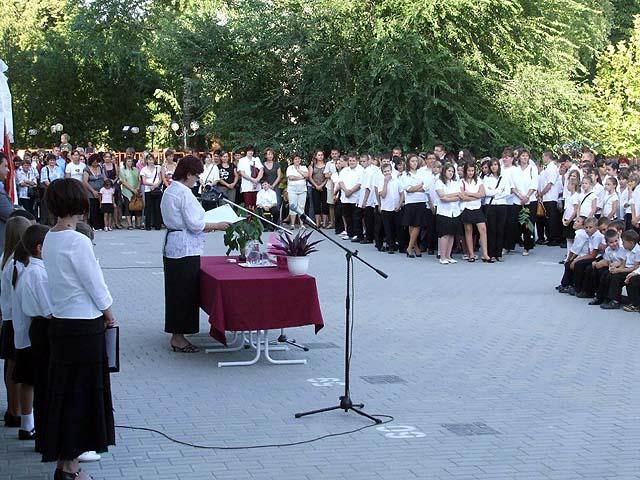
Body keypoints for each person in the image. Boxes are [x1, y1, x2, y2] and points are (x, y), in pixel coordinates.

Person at [40, 178, 116, 478]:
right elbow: (95, 284)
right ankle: (71, 466)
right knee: (82, 396)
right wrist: (110, 314)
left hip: (61, 322)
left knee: (65, 393)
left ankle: (64, 461)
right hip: (84, 324)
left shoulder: (49, 237)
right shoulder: (78, 241)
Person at [160, 156, 230, 353]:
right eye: (196, 175)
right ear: (188, 174)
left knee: (175, 292)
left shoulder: (170, 190)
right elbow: (194, 224)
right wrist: (218, 225)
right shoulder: (184, 193)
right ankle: (178, 337)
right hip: (185, 247)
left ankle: (177, 333)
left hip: (174, 244)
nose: (197, 179)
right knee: (185, 293)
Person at [19, 224, 51, 454]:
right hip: (42, 327)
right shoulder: (38, 274)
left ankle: (44, 432)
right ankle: (46, 434)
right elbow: (48, 309)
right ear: (40, 248)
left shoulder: (33, 270)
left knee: (42, 383)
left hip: (38, 327)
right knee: (45, 384)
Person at [0, 217, 31, 433]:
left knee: (11, 366)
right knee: (18, 368)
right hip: (16, 320)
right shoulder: (17, 263)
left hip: (8, 319)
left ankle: (14, 409)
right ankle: (17, 409)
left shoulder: (5, 258)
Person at [595, 230, 640, 309]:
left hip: (632, 271)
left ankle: (615, 301)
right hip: (626, 269)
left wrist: (619, 270)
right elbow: (624, 262)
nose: (622, 244)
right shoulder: (627, 249)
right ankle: (604, 297)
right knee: (608, 274)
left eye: (624, 242)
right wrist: (616, 269)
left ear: (631, 243)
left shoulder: (637, 251)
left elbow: (635, 268)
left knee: (616, 277)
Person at [558, 217, 599, 294]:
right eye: (587, 227)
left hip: (593, 257)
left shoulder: (582, 234)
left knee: (576, 264)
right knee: (570, 263)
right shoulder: (588, 234)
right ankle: (567, 284)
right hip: (586, 255)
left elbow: (577, 250)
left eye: (578, 221)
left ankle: (576, 287)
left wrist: (573, 259)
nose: (575, 222)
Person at [510, 149, 538, 256]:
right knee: (515, 223)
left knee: (528, 224)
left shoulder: (532, 168)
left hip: (530, 200)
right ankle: (512, 244)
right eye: (523, 156)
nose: (525, 158)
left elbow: (534, 184)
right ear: (519, 157)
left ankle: (528, 246)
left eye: (526, 156)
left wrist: (527, 196)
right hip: (517, 200)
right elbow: (512, 185)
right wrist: (520, 196)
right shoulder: (515, 169)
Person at [460, 162, 490, 262]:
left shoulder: (478, 181)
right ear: (465, 171)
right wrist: (476, 196)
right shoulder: (461, 182)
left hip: (477, 208)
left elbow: (482, 194)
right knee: (468, 230)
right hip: (466, 208)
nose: (471, 172)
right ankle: (471, 254)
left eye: (472, 170)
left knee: (483, 229)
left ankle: (485, 254)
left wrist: (470, 194)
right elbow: (463, 197)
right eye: (469, 170)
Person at [401, 154, 428, 257]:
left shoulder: (422, 173)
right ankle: (415, 247)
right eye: (412, 161)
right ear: (408, 162)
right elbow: (408, 189)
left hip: (421, 201)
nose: (414, 163)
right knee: (412, 225)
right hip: (410, 202)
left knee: (417, 225)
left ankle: (409, 247)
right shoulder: (405, 174)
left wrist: (416, 188)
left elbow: (426, 187)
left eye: (416, 161)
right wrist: (419, 186)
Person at [483, 158, 509, 262]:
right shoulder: (486, 178)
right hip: (491, 205)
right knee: (491, 229)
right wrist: (498, 191)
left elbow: (507, 192)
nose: (494, 167)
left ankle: (499, 253)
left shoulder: (504, 177)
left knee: (500, 229)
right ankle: (491, 253)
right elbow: (486, 192)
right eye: (492, 165)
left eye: (496, 164)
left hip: (502, 205)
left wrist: (495, 193)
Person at [435, 163, 462, 264]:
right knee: (444, 234)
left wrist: (448, 197)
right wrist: (455, 195)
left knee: (451, 235)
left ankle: (448, 256)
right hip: (443, 212)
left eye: (452, 171)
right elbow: (442, 197)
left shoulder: (456, 183)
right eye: (449, 171)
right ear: (444, 171)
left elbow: (460, 196)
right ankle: (442, 257)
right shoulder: (439, 182)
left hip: (455, 212)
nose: (451, 173)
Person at [376, 163, 403, 254]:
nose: (387, 173)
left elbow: (401, 194)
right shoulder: (381, 182)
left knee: (398, 227)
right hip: (386, 208)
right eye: (385, 171)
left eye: (388, 171)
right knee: (388, 228)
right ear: (382, 173)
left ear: (391, 171)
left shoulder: (397, 181)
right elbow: (383, 195)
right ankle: (390, 246)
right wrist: (385, 183)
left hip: (396, 208)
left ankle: (400, 245)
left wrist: (399, 205)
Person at [338, 154, 363, 241]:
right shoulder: (344, 170)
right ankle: (349, 233)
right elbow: (340, 182)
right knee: (347, 217)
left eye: (353, 161)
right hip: (345, 198)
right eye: (350, 161)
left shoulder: (360, 170)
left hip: (356, 198)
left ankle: (357, 234)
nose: (351, 162)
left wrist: (351, 191)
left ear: (357, 161)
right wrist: (346, 191)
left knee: (356, 217)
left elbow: (360, 183)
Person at [39, 153, 64, 226]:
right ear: (48, 161)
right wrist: (52, 187)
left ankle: (57, 223)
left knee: (56, 206)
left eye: (53, 160)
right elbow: (45, 180)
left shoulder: (58, 168)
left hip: (57, 189)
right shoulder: (44, 169)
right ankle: (47, 223)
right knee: (48, 207)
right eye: (51, 160)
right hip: (48, 189)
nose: (52, 162)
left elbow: (61, 178)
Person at [286, 154, 309, 229]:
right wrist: (301, 177)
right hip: (292, 190)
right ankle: (292, 224)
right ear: (293, 160)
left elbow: (307, 175)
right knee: (293, 206)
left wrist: (299, 170)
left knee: (301, 207)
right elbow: (291, 177)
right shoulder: (290, 168)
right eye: (295, 159)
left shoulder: (303, 167)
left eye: (298, 159)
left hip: (302, 190)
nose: (297, 160)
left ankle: (301, 224)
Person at [237, 145, 263, 210]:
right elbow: (242, 173)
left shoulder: (256, 159)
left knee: (256, 205)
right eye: (249, 151)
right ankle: (249, 216)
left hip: (257, 186)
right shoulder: (242, 160)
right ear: (246, 151)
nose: (250, 152)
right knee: (248, 205)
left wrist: (257, 180)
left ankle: (256, 216)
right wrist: (252, 179)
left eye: (252, 151)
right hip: (247, 186)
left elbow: (261, 170)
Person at [83, 154, 105, 231]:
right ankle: (94, 225)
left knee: (101, 208)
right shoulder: (86, 169)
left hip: (101, 191)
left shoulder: (101, 168)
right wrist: (93, 191)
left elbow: (104, 178)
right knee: (93, 208)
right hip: (91, 191)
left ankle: (101, 225)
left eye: (97, 162)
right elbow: (85, 182)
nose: (95, 164)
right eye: (94, 162)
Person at [140, 154, 162, 230]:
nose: (151, 161)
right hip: (148, 190)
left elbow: (160, 179)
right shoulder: (144, 169)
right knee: (148, 208)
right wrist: (151, 185)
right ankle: (148, 225)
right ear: (147, 161)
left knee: (157, 207)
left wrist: (156, 185)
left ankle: (157, 225)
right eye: (149, 160)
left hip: (157, 189)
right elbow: (144, 181)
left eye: (152, 159)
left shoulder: (158, 168)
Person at [119, 156, 141, 229]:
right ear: (125, 162)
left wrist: (138, 187)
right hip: (127, 191)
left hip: (136, 191)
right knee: (128, 207)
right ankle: (129, 224)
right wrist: (132, 189)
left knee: (138, 207)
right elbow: (123, 181)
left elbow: (139, 179)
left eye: (131, 161)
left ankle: (138, 224)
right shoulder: (122, 170)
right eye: (128, 161)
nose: (130, 163)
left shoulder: (136, 169)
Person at [561, 178, 581, 260]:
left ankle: (572, 257)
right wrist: (563, 218)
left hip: (572, 220)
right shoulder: (569, 196)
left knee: (573, 238)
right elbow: (567, 208)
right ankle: (568, 256)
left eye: (569, 184)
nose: (567, 186)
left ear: (573, 185)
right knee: (568, 239)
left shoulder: (576, 196)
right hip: (567, 219)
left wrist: (569, 220)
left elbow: (575, 210)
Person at [102, 152, 122, 229]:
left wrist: (113, 181)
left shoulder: (114, 165)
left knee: (116, 205)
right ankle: (108, 224)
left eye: (109, 157)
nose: (107, 158)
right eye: (106, 157)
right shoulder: (102, 166)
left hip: (114, 185)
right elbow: (104, 177)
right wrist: (108, 182)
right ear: (104, 158)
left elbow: (117, 175)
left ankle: (117, 222)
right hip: (106, 186)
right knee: (108, 205)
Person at [309, 150, 328, 228]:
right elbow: (310, 177)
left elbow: (327, 177)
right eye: (319, 155)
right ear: (316, 156)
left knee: (325, 205)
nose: (320, 156)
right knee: (316, 205)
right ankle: (317, 223)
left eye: (321, 155)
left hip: (325, 187)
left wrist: (322, 185)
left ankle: (325, 223)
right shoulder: (312, 165)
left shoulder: (326, 165)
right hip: (315, 187)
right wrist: (316, 186)